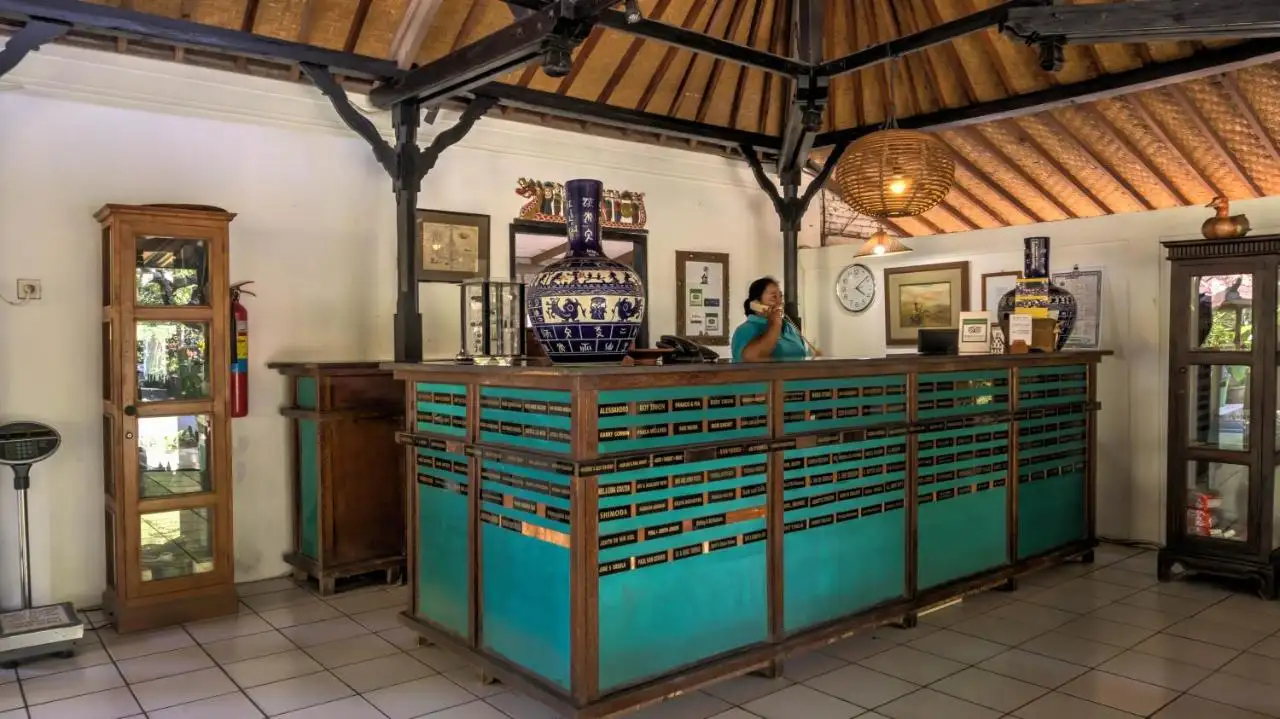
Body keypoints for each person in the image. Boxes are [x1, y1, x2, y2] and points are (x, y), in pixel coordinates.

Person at [731, 276, 817, 361]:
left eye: (781, 296)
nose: (780, 302)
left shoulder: (790, 328)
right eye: (773, 297)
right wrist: (775, 324)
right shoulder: (745, 330)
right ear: (756, 303)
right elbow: (752, 358)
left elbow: (803, 357)